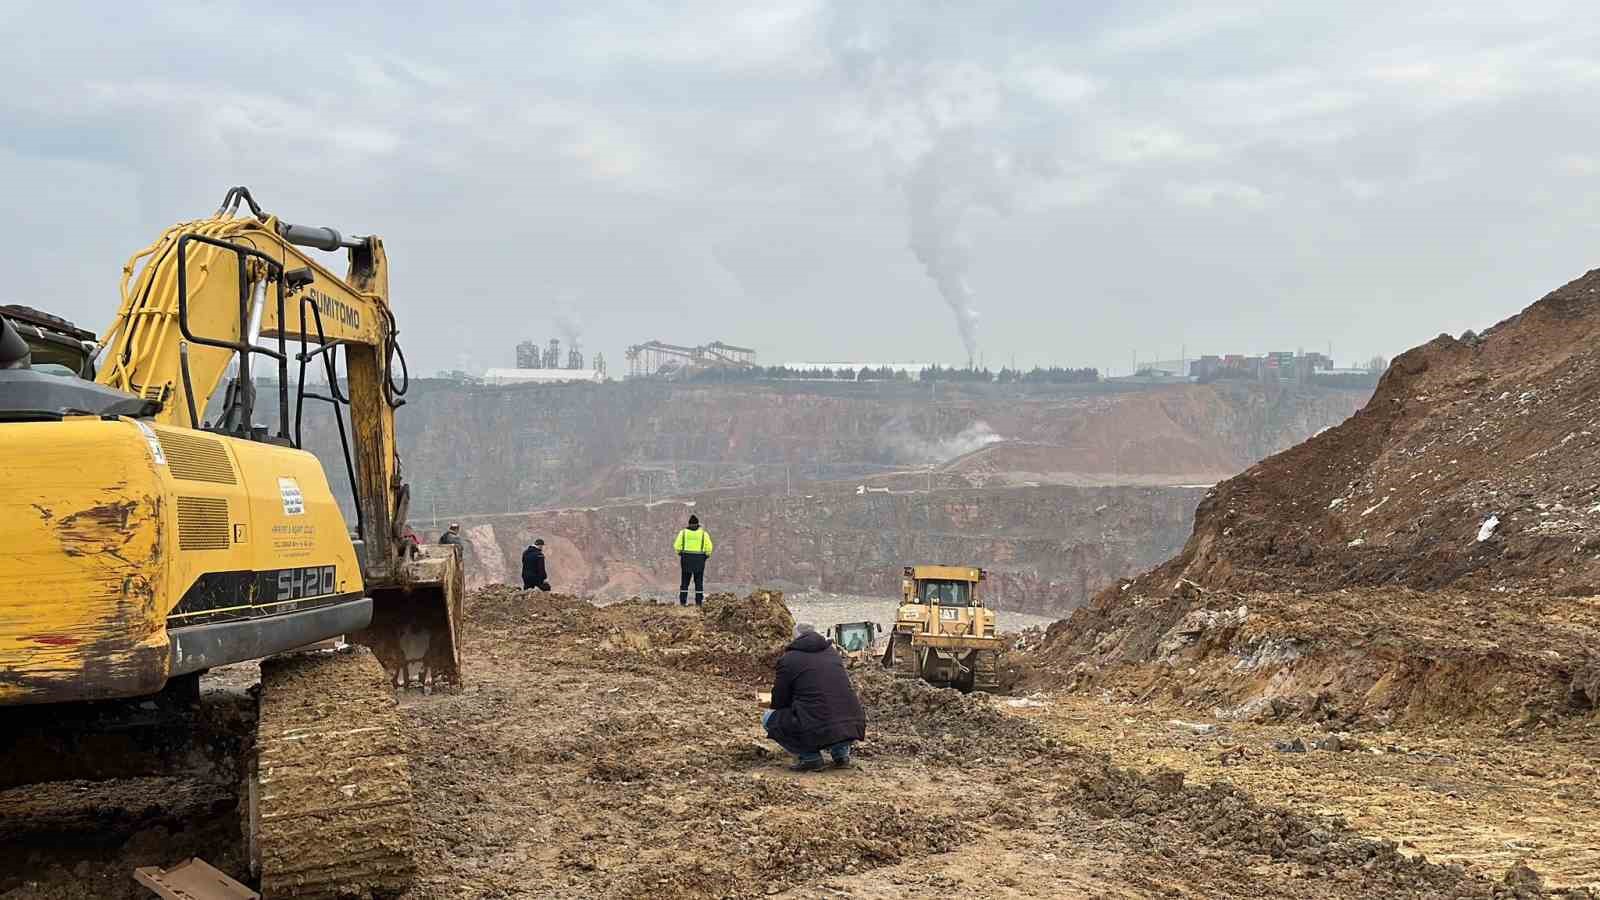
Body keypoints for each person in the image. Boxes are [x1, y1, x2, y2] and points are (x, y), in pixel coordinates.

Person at [763, 623, 867, 772]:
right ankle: (841, 755)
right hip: (853, 722)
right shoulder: (832, 653)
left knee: (768, 718)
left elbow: (779, 701)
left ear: (795, 638)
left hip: (818, 726)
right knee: (836, 713)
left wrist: (791, 704)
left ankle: (810, 757)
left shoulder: (789, 659)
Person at [672, 514, 713, 606]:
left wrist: (681, 553)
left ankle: (683, 602)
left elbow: (677, 546)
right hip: (699, 560)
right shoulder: (703, 534)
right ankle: (698, 603)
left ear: (689, 524)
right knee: (699, 582)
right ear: (698, 524)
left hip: (686, 559)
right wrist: (705, 556)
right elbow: (709, 547)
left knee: (685, 582)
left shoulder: (683, 533)